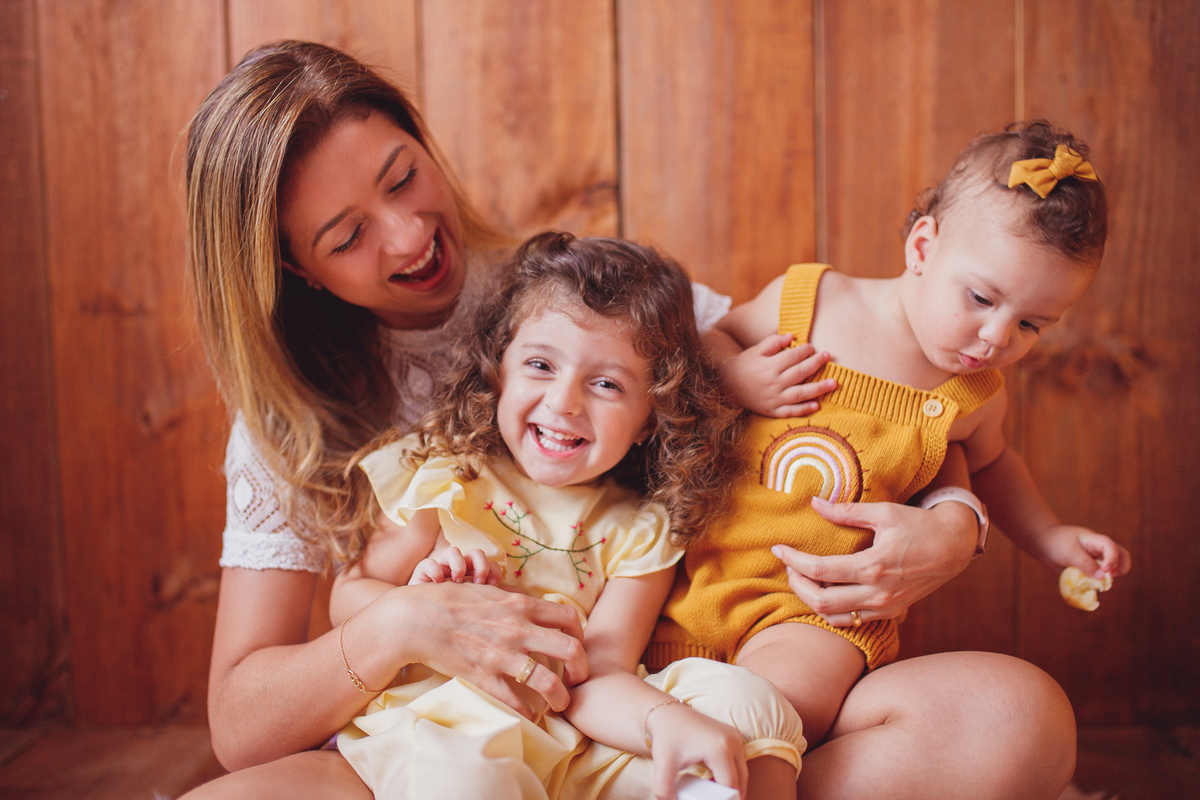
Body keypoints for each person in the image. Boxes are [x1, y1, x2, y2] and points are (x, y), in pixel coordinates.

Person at [181, 41, 1076, 799]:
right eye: (347, 236)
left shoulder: (590, 293)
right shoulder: (291, 422)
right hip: (444, 737)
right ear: (293, 268)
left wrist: (956, 525)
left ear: (423, 141)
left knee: (1013, 719)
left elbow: (875, 402)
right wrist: (404, 626)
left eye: (402, 176)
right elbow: (242, 723)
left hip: (665, 702)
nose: (410, 235)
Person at [652, 121, 1132, 791]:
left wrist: (1051, 535)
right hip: (687, 582)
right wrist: (736, 377)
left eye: (1031, 325)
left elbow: (993, 469)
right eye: (982, 298)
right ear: (923, 246)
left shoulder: (973, 396)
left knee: (769, 716)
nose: (997, 338)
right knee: (655, 698)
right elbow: (710, 341)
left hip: (814, 614)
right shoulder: (808, 301)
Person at [330, 231, 804, 800]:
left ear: (650, 419)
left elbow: (600, 674)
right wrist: (417, 600)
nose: (564, 402)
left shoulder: (642, 530)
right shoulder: (449, 470)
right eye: (539, 364)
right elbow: (348, 599)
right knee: (472, 778)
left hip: (567, 743)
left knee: (750, 703)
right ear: (500, 367)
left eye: (606, 383)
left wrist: (661, 721)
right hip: (442, 729)